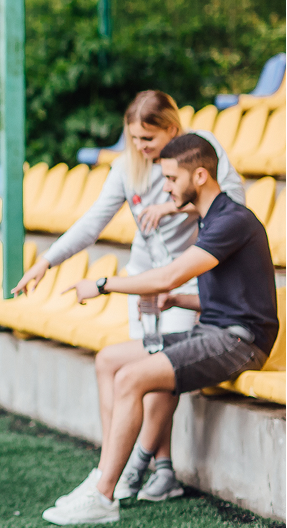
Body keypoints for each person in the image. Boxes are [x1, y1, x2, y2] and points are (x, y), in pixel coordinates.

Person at [12, 90, 246, 503]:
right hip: (142, 280)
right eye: (134, 138)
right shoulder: (126, 167)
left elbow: (230, 203)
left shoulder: (197, 150)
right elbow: (92, 222)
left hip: (182, 283)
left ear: (171, 129)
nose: (140, 146)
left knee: (161, 373)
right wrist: (46, 262)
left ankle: (138, 470)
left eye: (148, 139)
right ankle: (127, 466)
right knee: (140, 370)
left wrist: (171, 209)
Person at [41, 134, 278, 525]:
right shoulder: (212, 218)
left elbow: (170, 275)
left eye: (170, 178)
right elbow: (233, 296)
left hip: (239, 342)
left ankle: (104, 496)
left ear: (199, 176)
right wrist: (178, 300)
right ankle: (106, 474)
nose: (165, 188)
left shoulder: (232, 220)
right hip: (214, 333)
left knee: (131, 378)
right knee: (110, 359)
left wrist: (103, 284)